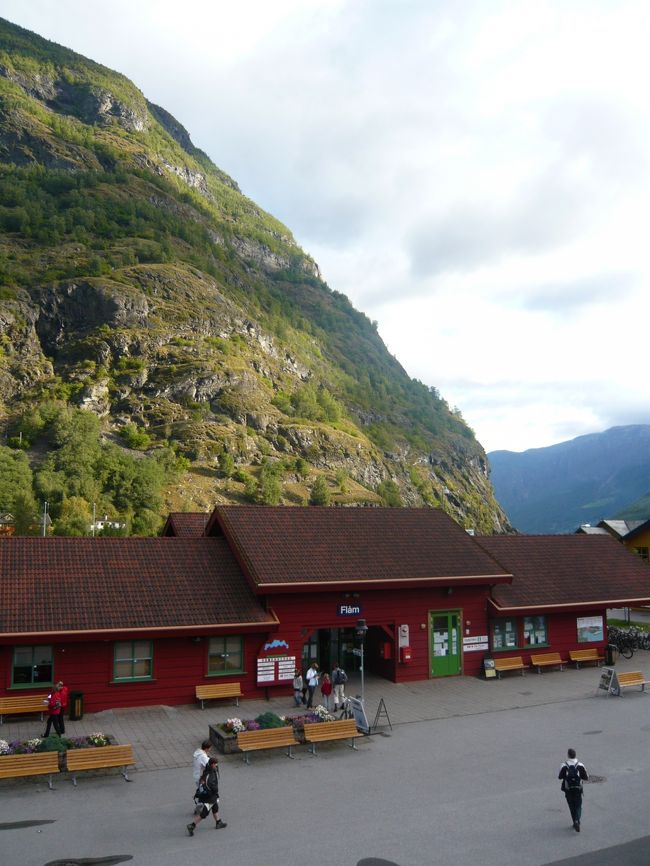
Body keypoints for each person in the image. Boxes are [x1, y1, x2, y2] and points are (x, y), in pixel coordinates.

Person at [187, 757, 227, 835]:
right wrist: (215, 790)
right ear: (212, 764)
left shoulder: (208, 770)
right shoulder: (210, 774)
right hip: (210, 797)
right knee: (204, 814)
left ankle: (218, 822)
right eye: (215, 764)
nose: (217, 765)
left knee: (215, 808)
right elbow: (210, 785)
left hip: (212, 796)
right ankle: (192, 825)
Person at [558, 747, 589, 832]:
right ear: (575, 755)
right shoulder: (580, 765)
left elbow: (560, 777)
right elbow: (586, 777)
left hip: (568, 789)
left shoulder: (564, 765)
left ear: (568, 755)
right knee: (578, 805)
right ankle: (577, 820)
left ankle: (574, 821)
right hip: (578, 789)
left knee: (571, 805)